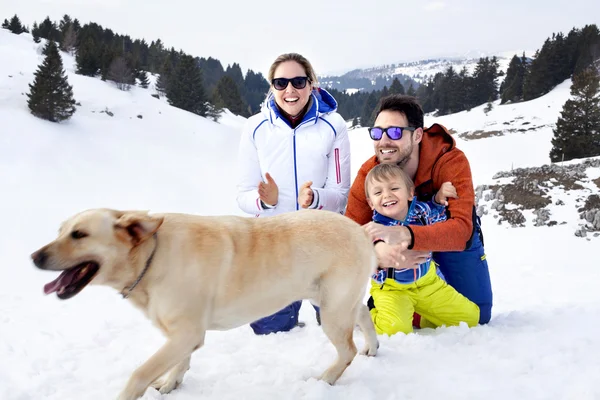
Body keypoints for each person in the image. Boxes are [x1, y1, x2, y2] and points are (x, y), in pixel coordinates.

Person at [345, 94, 493, 326]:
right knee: (402, 317)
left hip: (449, 240)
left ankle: (417, 301)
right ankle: (387, 304)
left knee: (478, 317)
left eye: (394, 132)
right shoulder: (371, 173)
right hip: (396, 258)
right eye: (377, 133)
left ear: (417, 135)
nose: (383, 142)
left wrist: (408, 236)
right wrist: (377, 253)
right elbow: (348, 233)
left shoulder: (449, 161)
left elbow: (462, 229)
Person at [236, 53, 351, 335]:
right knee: (270, 333)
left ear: (311, 84)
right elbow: (242, 195)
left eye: (298, 81)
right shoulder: (255, 127)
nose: (290, 90)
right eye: (281, 82)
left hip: (322, 240)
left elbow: (341, 194)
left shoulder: (333, 125)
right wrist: (265, 200)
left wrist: (316, 199)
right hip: (274, 242)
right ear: (272, 87)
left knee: (336, 328)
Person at [365, 163, 479, 335]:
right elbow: (365, 246)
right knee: (395, 330)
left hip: (428, 283)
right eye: (378, 192)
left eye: (394, 188)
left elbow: (438, 214)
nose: (387, 195)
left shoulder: (421, 212)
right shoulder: (376, 227)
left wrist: (439, 198)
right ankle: (368, 316)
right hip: (392, 288)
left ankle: (421, 318)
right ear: (371, 203)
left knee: (470, 318)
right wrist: (382, 253)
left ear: (410, 193)